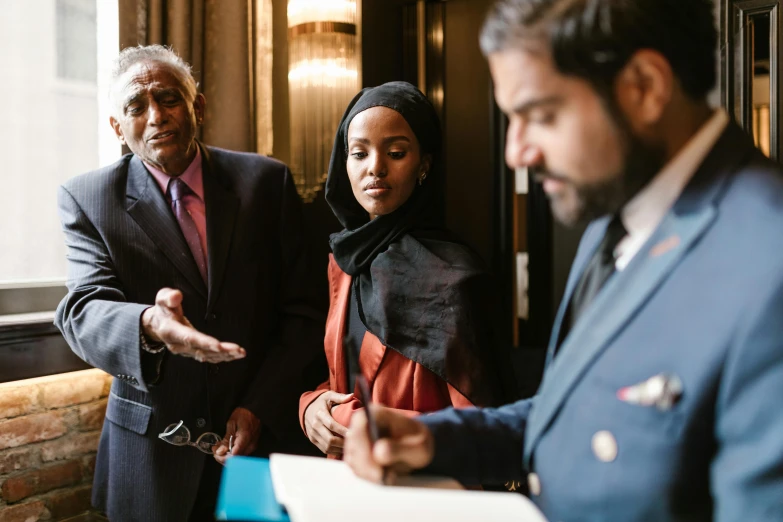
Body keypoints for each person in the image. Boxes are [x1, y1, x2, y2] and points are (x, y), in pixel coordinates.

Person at [343, 1, 783, 520]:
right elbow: (574, 414)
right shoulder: (614, 215)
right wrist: (435, 438)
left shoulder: (767, 267)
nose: (516, 152)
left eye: (539, 115)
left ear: (644, 87)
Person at [54, 45, 327, 522]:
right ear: (117, 128)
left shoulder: (266, 182)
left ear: (197, 106)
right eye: (136, 107)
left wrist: (258, 408)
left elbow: (303, 312)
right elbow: (82, 308)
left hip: (263, 443)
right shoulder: (88, 198)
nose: (156, 116)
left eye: (169, 98)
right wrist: (149, 324)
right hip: (152, 457)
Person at [299, 82, 515, 458]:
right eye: (358, 153)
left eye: (396, 152)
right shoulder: (345, 261)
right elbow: (345, 379)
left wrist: (354, 422)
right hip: (344, 485)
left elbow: (486, 424)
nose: (375, 168)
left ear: (424, 165)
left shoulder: (457, 277)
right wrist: (312, 407)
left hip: (423, 491)